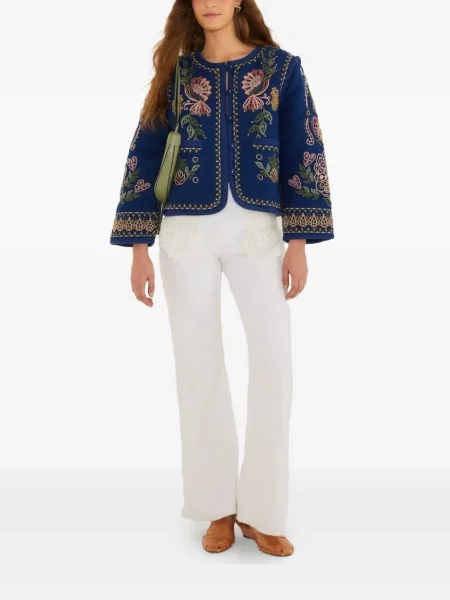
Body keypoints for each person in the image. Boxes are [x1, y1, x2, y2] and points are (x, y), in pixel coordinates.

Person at [110, 0, 334, 557]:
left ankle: (264, 511)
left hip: (258, 233)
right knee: (198, 367)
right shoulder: (178, 71)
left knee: (274, 363)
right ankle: (219, 508)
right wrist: (138, 246)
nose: (210, 2)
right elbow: (145, 151)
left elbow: (303, 146)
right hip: (185, 234)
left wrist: (299, 241)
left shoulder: (281, 68)